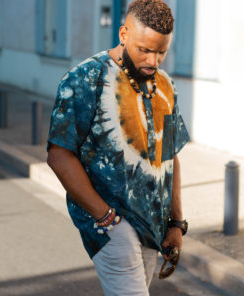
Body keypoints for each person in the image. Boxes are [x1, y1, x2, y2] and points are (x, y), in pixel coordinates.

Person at [47, 0, 190, 294]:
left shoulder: (165, 85)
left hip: (154, 227)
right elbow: (59, 156)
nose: (153, 61)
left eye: (161, 51)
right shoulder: (85, 79)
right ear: (123, 34)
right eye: (144, 50)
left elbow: (169, 155)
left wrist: (176, 223)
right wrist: (108, 220)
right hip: (112, 228)